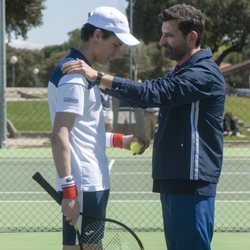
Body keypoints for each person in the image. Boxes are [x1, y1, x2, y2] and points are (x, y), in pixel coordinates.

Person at [62, 3, 227, 250]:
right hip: (174, 179)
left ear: (192, 37)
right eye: (162, 33)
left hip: (191, 182)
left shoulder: (204, 73)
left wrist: (98, 77)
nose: (162, 41)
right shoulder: (180, 72)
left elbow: (154, 93)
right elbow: (147, 93)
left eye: (169, 35)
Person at [47, 6, 148, 250]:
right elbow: (60, 135)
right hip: (86, 184)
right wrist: (71, 194)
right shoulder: (75, 75)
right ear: (97, 35)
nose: (119, 50)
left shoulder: (80, 72)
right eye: (115, 44)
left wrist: (119, 140)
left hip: (85, 183)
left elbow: (83, 132)